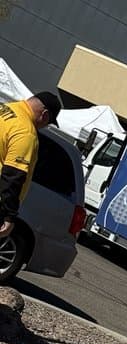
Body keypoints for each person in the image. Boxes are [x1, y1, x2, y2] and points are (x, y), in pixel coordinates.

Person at [0, 92, 62, 239]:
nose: (44, 126)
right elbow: (13, 176)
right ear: (45, 115)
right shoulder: (26, 132)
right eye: (48, 122)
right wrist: (9, 216)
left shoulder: (6, 109)